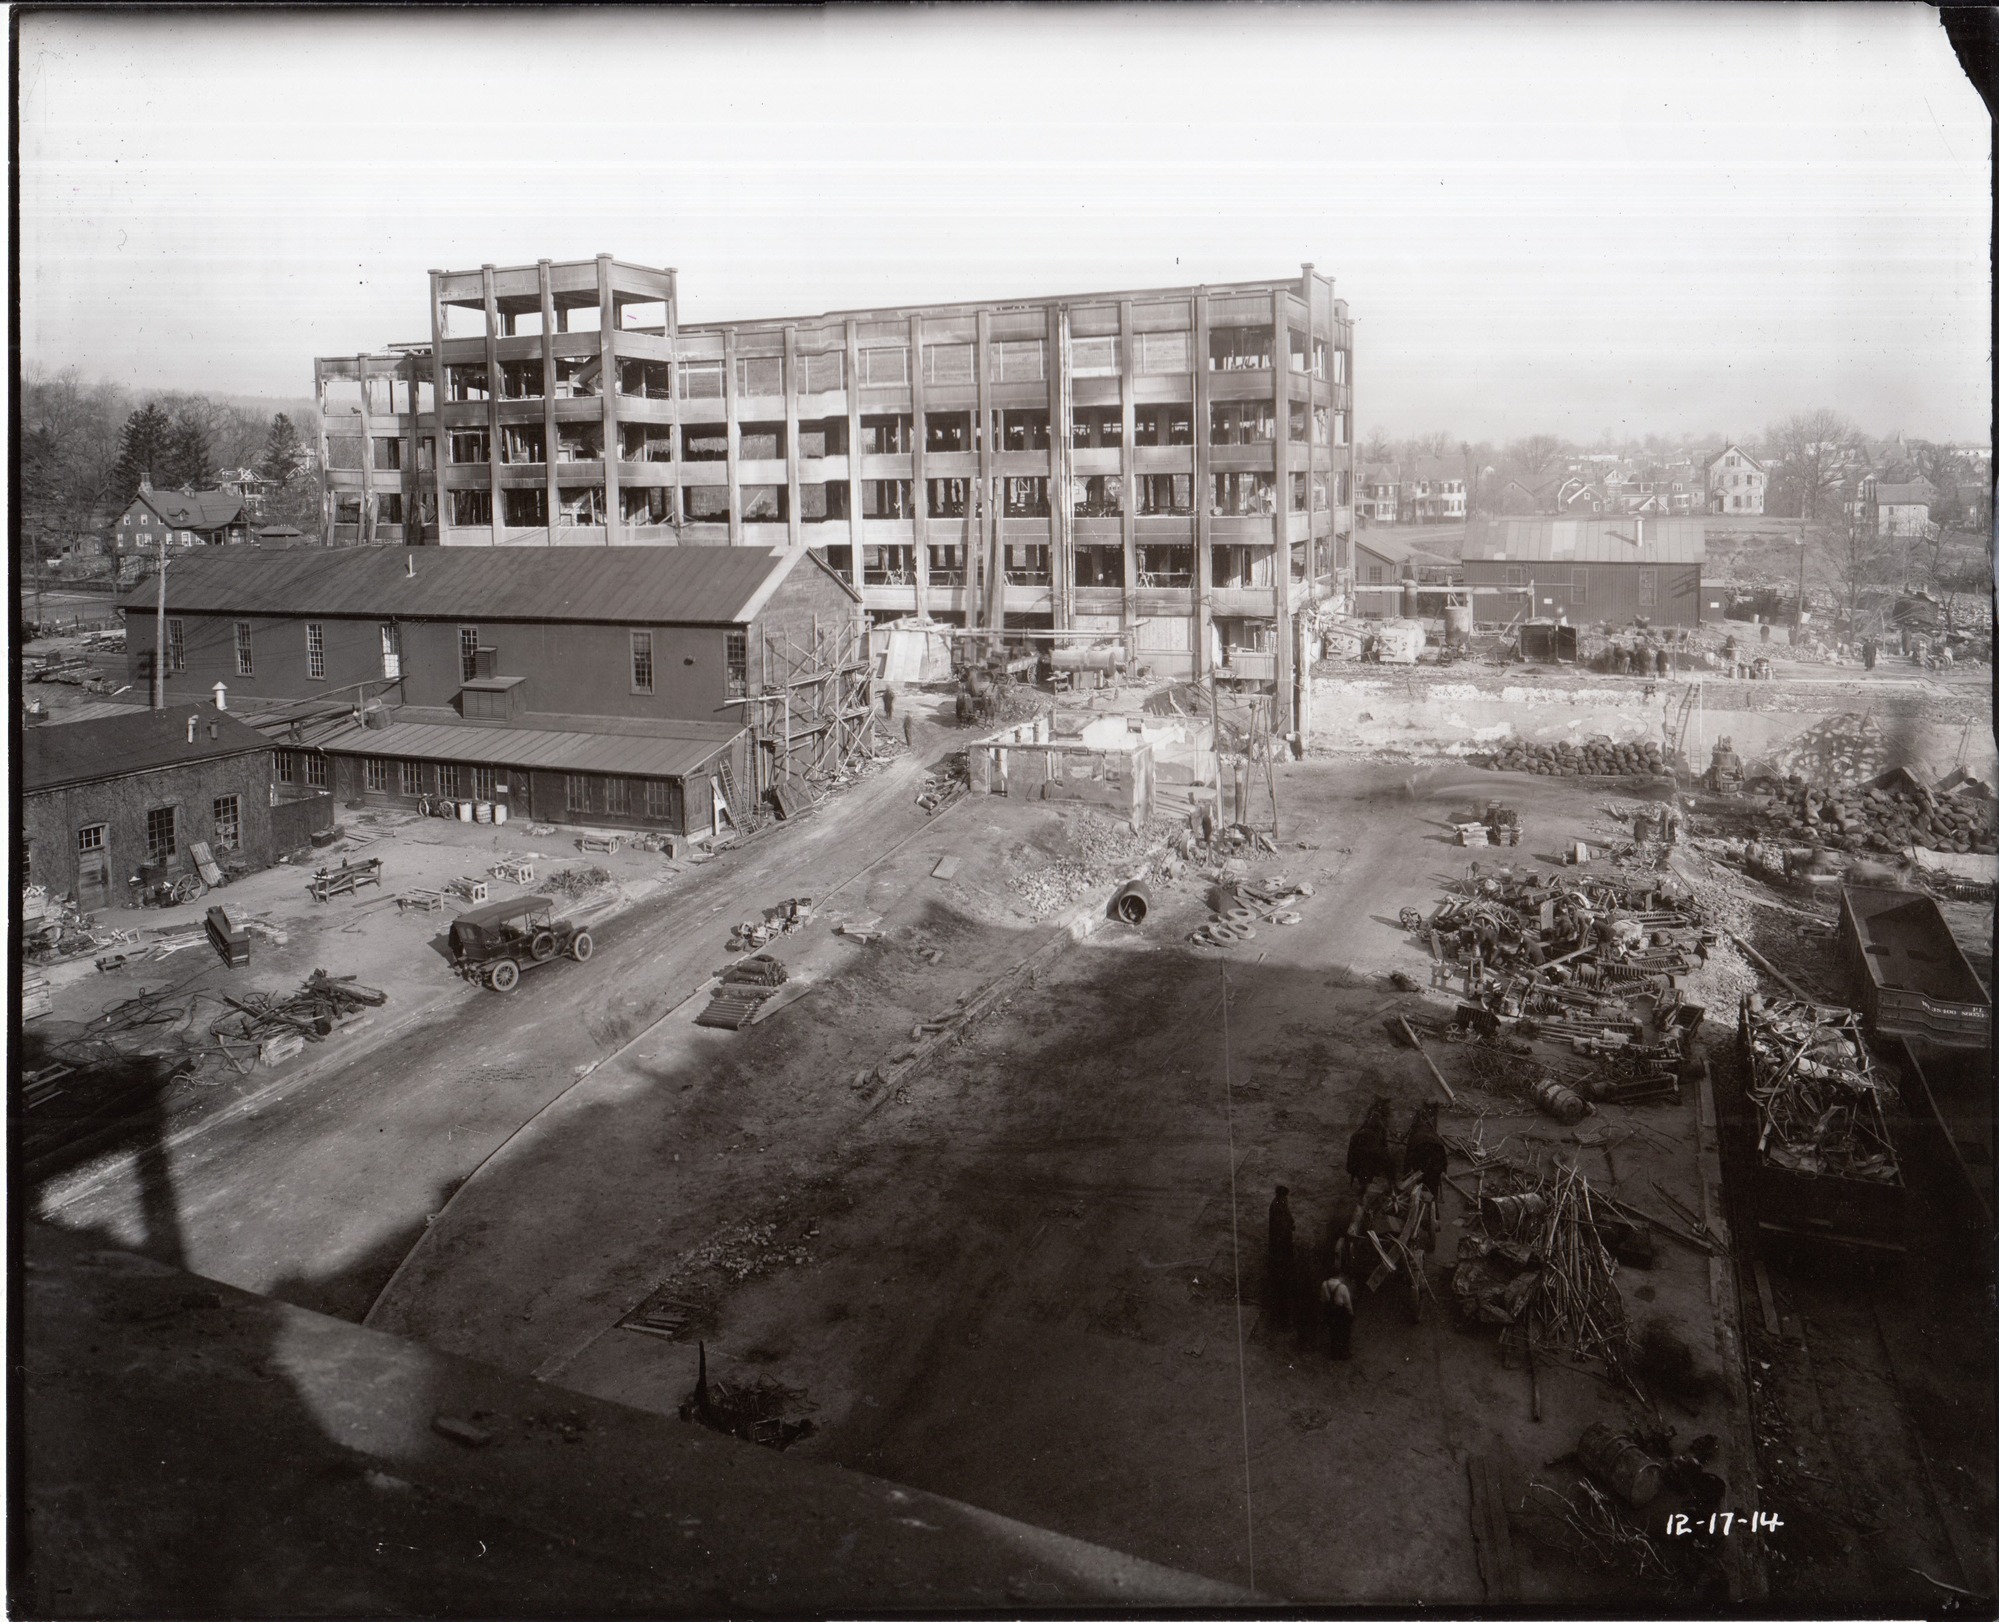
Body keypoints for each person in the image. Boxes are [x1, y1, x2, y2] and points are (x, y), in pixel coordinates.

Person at [1267, 1186, 1296, 1326]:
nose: (1285, 1198)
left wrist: (1291, 1222)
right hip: (1279, 1237)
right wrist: (1286, 1229)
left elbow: (1287, 1214)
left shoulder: (1283, 1203)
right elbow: (1278, 1224)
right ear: (1279, 1195)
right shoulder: (1275, 1206)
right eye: (1284, 1196)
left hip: (1284, 1236)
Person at [1321, 1271, 1355, 1360]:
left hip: (1330, 1312)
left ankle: (1333, 1354)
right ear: (1339, 1276)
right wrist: (1351, 1313)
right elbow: (1347, 1303)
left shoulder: (1325, 1284)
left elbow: (1323, 1299)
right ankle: (1343, 1353)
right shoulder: (1342, 1287)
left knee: (1333, 1333)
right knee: (1343, 1333)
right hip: (1341, 1313)